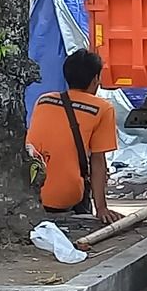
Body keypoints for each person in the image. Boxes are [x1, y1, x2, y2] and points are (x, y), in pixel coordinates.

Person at [26, 50, 123, 224]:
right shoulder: (102, 108)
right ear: (95, 79)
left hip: (30, 192)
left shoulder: (43, 100)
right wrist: (101, 208)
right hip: (65, 197)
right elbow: (98, 162)